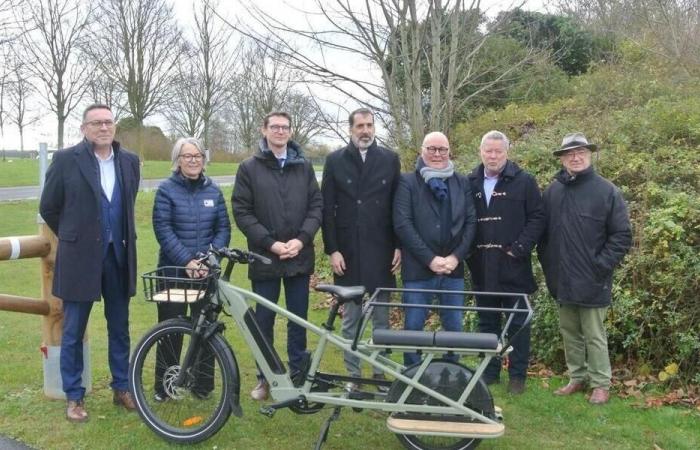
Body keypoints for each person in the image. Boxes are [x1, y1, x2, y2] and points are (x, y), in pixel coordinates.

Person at [39, 103, 140, 422]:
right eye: (96, 123)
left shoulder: (129, 162)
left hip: (118, 257)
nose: (103, 127)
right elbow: (49, 206)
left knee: (120, 327)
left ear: (114, 127)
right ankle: (73, 396)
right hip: (80, 259)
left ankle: (121, 387)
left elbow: (126, 204)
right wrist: (73, 236)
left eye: (108, 122)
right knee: (73, 329)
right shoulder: (67, 160)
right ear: (84, 128)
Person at [232, 111, 322, 401]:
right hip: (265, 258)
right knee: (264, 321)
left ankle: (298, 376)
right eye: (275, 127)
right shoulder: (249, 167)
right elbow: (242, 211)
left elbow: (316, 207)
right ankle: (265, 378)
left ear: (290, 131)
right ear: (264, 130)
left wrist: (301, 239)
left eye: (285, 127)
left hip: (299, 256)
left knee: (299, 320)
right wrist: (270, 243)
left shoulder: (304, 167)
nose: (281, 132)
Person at [538, 132, 632, 405]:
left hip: (594, 278)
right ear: (563, 159)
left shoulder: (607, 191)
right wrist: (549, 264)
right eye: (570, 154)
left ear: (590, 155)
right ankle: (577, 377)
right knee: (569, 332)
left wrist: (600, 265)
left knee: (594, 334)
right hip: (562, 278)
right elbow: (543, 234)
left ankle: (601, 383)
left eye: (581, 152)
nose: (575, 157)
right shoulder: (553, 191)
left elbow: (622, 236)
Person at [321, 108, 401, 388]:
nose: (365, 130)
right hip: (348, 252)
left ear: (374, 128)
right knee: (351, 320)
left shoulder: (390, 159)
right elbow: (326, 209)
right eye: (360, 126)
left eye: (369, 125)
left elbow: (396, 206)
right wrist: (333, 250)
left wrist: (398, 246)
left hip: (381, 250)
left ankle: (379, 373)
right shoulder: (335, 160)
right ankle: (351, 375)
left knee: (382, 319)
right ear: (350, 129)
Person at [151, 137, 231, 401]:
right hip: (174, 271)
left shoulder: (214, 191)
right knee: (171, 330)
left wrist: (207, 261)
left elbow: (223, 229)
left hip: (205, 274)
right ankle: (165, 386)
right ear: (178, 160)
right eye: (187, 156)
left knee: (206, 329)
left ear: (204, 159)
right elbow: (163, 230)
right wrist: (187, 262)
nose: (194, 160)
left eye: (197, 155)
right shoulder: (166, 190)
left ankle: (201, 385)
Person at [466, 130, 545, 394]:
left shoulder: (524, 182)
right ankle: (489, 373)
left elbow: (538, 218)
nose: (493, 155)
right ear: (481, 151)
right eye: (488, 150)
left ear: (506, 153)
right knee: (487, 323)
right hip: (481, 265)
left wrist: (520, 247)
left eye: (498, 151)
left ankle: (517, 376)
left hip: (513, 266)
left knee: (518, 325)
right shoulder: (470, 182)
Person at [393, 132, 477, 366]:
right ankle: (412, 375)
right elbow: (403, 223)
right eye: (432, 149)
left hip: (453, 270)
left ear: (449, 151)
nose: (437, 154)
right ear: (422, 151)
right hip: (418, 269)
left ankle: (452, 374)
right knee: (413, 327)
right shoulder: (407, 182)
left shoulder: (462, 182)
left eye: (442, 149)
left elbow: (471, 222)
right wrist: (429, 259)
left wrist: (456, 257)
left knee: (454, 328)